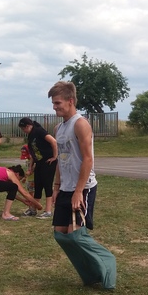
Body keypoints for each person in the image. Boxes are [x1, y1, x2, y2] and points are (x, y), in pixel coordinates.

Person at [48, 81, 100, 232]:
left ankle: (98, 251)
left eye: (57, 103)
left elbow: (88, 159)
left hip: (83, 188)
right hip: (65, 188)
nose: (54, 107)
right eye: (53, 103)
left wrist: (78, 191)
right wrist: (56, 187)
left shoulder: (80, 124)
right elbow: (61, 160)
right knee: (60, 233)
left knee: (75, 234)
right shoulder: (58, 128)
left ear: (70, 101)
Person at [18, 117, 58, 218]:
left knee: (47, 185)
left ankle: (48, 211)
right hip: (39, 162)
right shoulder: (31, 135)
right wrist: (31, 167)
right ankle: (33, 209)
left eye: (23, 129)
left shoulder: (39, 131)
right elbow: (33, 153)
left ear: (28, 126)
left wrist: (55, 156)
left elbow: (53, 141)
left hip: (48, 162)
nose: (23, 131)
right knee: (38, 185)